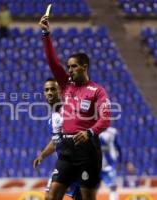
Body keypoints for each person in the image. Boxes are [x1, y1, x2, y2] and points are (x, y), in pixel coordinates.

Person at [39, 15, 111, 200]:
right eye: (68, 67)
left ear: (84, 67)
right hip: (67, 149)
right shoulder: (66, 85)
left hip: (87, 150)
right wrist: (46, 34)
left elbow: (105, 119)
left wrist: (90, 132)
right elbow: (52, 62)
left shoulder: (97, 91)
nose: (69, 70)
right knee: (52, 196)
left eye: (73, 67)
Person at [33, 78, 82, 200]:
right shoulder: (55, 115)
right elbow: (57, 140)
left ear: (60, 91)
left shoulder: (68, 111)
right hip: (67, 163)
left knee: (51, 196)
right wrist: (42, 155)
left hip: (78, 162)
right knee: (50, 196)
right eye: (47, 90)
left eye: (53, 89)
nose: (49, 92)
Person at [99, 127, 121, 200]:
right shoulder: (92, 131)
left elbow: (118, 147)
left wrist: (120, 162)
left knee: (113, 186)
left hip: (110, 165)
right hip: (96, 165)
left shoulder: (113, 132)